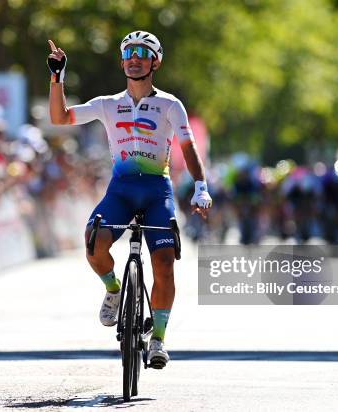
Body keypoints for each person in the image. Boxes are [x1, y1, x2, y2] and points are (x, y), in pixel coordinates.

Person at [47, 31, 212, 369]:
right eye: (128, 53)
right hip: (120, 190)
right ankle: (113, 288)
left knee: (164, 262)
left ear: (156, 61)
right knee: (93, 243)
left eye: (142, 52)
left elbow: (187, 146)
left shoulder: (170, 105)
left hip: (157, 191)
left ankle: (159, 340)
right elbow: (59, 118)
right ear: (122, 62)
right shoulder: (107, 104)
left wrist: (200, 185)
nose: (134, 57)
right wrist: (56, 77)